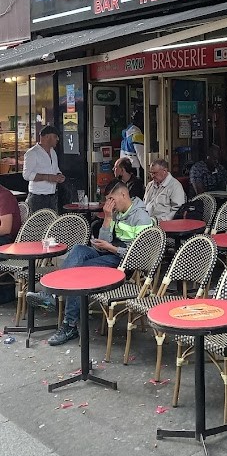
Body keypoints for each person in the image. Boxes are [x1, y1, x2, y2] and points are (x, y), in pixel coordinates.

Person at [27, 179, 152, 345]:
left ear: (123, 194)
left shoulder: (141, 217)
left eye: (111, 199)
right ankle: (51, 295)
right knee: (79, 250)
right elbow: (103, 242)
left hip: (124, 262)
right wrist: (107, 219)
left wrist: (113, 248)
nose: (109, 203)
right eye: (107, 200)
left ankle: (69, 325)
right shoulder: (115, 212)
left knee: (81, 273)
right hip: (109, 253)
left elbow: (140, 256)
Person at [22, 125, 65, 214]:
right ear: (47, 137)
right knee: (38, 225)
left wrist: (59, 175)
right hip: (38, 197)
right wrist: (48, 177)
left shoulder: (53, 152)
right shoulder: (32, 153)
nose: (57, 139)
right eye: (55, 137)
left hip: (52, 195)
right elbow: (26, 175)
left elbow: (55, 169)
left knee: (52, 224)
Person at [120, 111, 144, 178]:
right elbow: (141, 156)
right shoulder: (137, 135)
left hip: (124, 167)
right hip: (135, 168)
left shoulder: (126, 132)